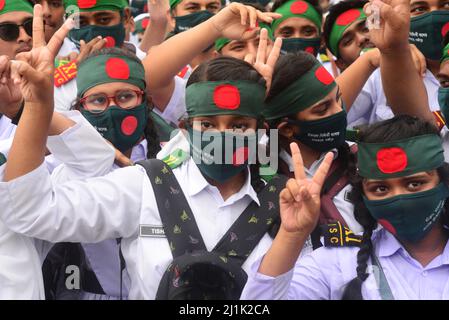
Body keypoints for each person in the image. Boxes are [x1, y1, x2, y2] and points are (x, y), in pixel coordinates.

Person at [0, 4, 287, 300]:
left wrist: (249, 99)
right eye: (208, 124)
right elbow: (30, 211)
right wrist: (33, 108)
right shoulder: (147, 184)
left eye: (239, 126)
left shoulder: (284, 202)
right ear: (186, 128)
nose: (223, 136)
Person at [241, 115, 449, 300]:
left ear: (443, 181)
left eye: (414, 184)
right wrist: (292, 234)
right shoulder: (338, 263)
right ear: (363, 196)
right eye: (381, 188)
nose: (399, 198)